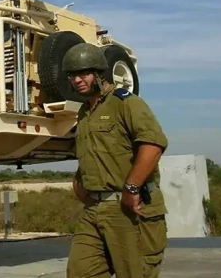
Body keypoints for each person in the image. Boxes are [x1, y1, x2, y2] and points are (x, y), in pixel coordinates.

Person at [62, 43, 169, 278]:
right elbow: (94, 153)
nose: (77, 80)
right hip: (94, 209)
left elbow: (153, 145)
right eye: (72, 75)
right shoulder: (84, 112)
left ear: (99, 73)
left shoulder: (126, 102)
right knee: (80, 273)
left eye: (83, 73)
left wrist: (132, 187)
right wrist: (80, 182)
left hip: (129, 207)